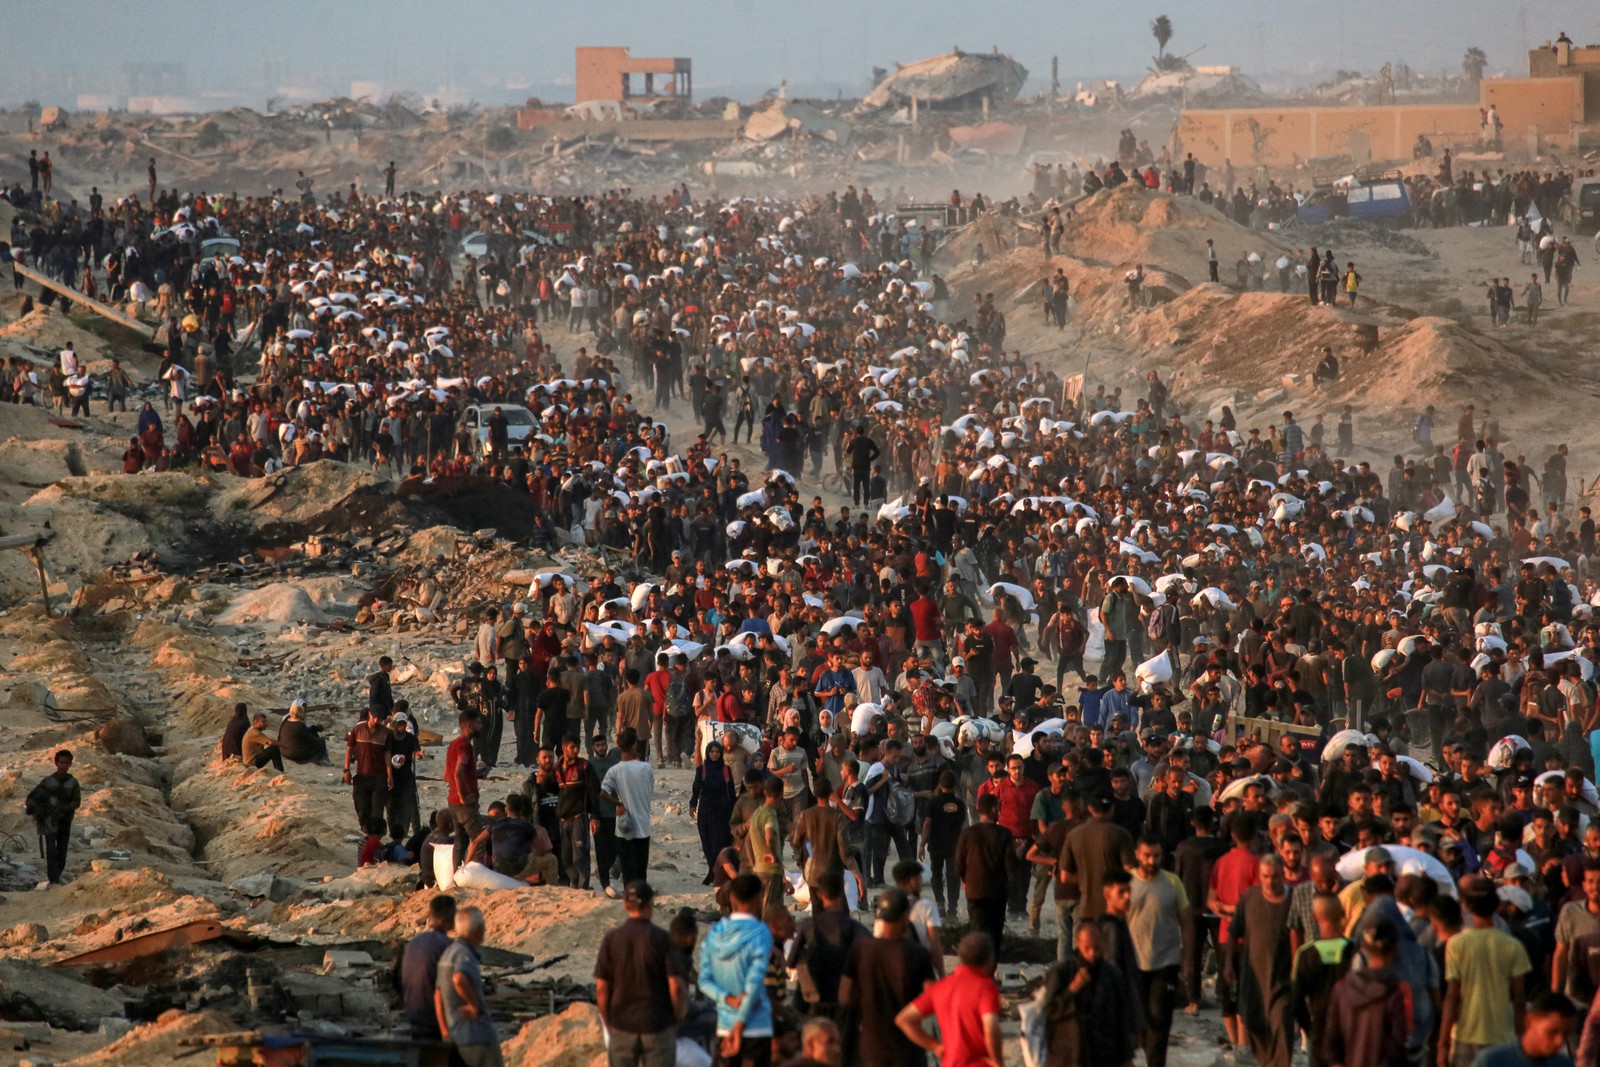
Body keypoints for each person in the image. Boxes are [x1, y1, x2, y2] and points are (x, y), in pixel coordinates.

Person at [1440, 877, 1532, 1067]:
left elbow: (1452, 995)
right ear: (1497, 905)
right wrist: (1522, 1036)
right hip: (1504, 1034)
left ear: (1466, 907)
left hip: (1465, 1034)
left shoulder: (1456, 944)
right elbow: (1519, 998)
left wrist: (1443, 1041)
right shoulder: (1513, 946)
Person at [595, 881, 688, 1067]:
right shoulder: (663, 938)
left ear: (625, 904)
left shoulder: (612, 939)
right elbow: (676, 987)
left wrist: (607, 1021)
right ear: (650, 904)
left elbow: (601, 989)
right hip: (657, 1025)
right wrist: (677, 1017)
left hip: (622, 1026)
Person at [840, 888, 936, 1067]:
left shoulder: (860, 948)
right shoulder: (917, 953)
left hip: (871, 1046)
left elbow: (844, 996)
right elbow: (932, 999)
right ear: (905, 916)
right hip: (908, 1048)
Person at [1224, 854, 1294, 1067]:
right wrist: (1228, 964)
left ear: (1283, 876)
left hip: (1283, 979)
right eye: (1266, 876)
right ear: (1260, 877)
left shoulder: (1292, 901)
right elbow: (1234, 932)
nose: (1271, 881)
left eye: (1275, 876)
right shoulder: (1249, 897)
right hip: (1253, 977)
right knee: (1254, 1024)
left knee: (1281, 1024)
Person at [894, 932, 1003, 1067]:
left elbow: (904, 1019)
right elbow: (991, 1027)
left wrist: (935, 1046)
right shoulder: (986, 987)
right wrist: (997, 1062)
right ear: (990, 959)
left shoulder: (941, 987)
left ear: (960, 957)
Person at [700, 873, 775, 1067]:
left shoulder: (715, 933)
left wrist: (727, 999)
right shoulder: (761, 932)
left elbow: (704, 981)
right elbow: (754, 982)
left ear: (732, 899)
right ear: (759, 898)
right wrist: (740, 1024)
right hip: (756, 1027)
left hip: (724, 1026)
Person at [436, 905, 502, 1067]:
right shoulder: (464, 954)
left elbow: (437, 995)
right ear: (479, 929)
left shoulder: (448, 953)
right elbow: (459, 978)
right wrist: (473, 1005)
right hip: (477, 1035)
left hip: (455, 1035)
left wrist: (445, 1031)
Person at [956, 793, 1014, 954]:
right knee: (995, 936)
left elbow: (958, 864)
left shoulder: (967, 833)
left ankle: (976, 972)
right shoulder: (1004, 833)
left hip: (974, 890)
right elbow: (1011, 865)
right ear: (995, 809)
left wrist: (966, 881)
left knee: (977, 933)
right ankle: (991, 972)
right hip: (997, 892)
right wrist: (1019, 851)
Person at [602, 727, 655, 890]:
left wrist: (618, 803)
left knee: (627, 871)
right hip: (643, 826)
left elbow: (603, 793)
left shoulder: (614, 770)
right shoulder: (646, 768)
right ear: (634, 746)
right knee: (640, 871)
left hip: (624, 827)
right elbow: (650, 790)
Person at [400, 895, 456, 1041]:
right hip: (434, 1021)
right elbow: (446, 990)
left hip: (413, 1016)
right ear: (451, 917)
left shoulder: (413, 943)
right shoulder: (447, 945)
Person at [1470, 992, 1575, 1067]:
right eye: (1552, 1032)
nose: (1559, 1042)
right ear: (1529, 1022)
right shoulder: (1491, 1061)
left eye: (1565, 1034)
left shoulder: (1564, 1064)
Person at [25, 749, 81, 885]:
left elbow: (77, 802)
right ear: (56, 763)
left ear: (70, 764)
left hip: (65, 820)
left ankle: (57, 876)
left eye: (67, 763)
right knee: (51, 851)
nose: (64, 765)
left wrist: (63, 808)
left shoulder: (73, 782)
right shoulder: (48, 781)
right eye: (61, 762)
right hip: (50, 821)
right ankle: (53, 879)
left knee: (62, 851)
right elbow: (33, 797)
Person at [344, 705, 393, 837]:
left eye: (379, 718)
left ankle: (373, 838)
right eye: (374, 717)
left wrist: (389, 774)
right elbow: (349, 749)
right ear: (369, 715)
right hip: (362, 775)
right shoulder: (357, 730)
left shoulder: (385, 733)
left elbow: (387, 754)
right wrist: (346, 769)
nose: (376, 720)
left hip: (379, 777)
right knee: (361, 808)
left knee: (377, 810)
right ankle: (366, 832)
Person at [447, 711, 486, 869]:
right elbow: (458, 772)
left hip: (453, 801)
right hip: (464, 804)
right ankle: (478, 875)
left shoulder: (453, 744)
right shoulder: (464, 746)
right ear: (469, 726)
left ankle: (456, 874)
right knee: (479, 840)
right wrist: (463, 796)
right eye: (478, 723)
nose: (480, 726)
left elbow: (447, 774)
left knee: (460, 840)